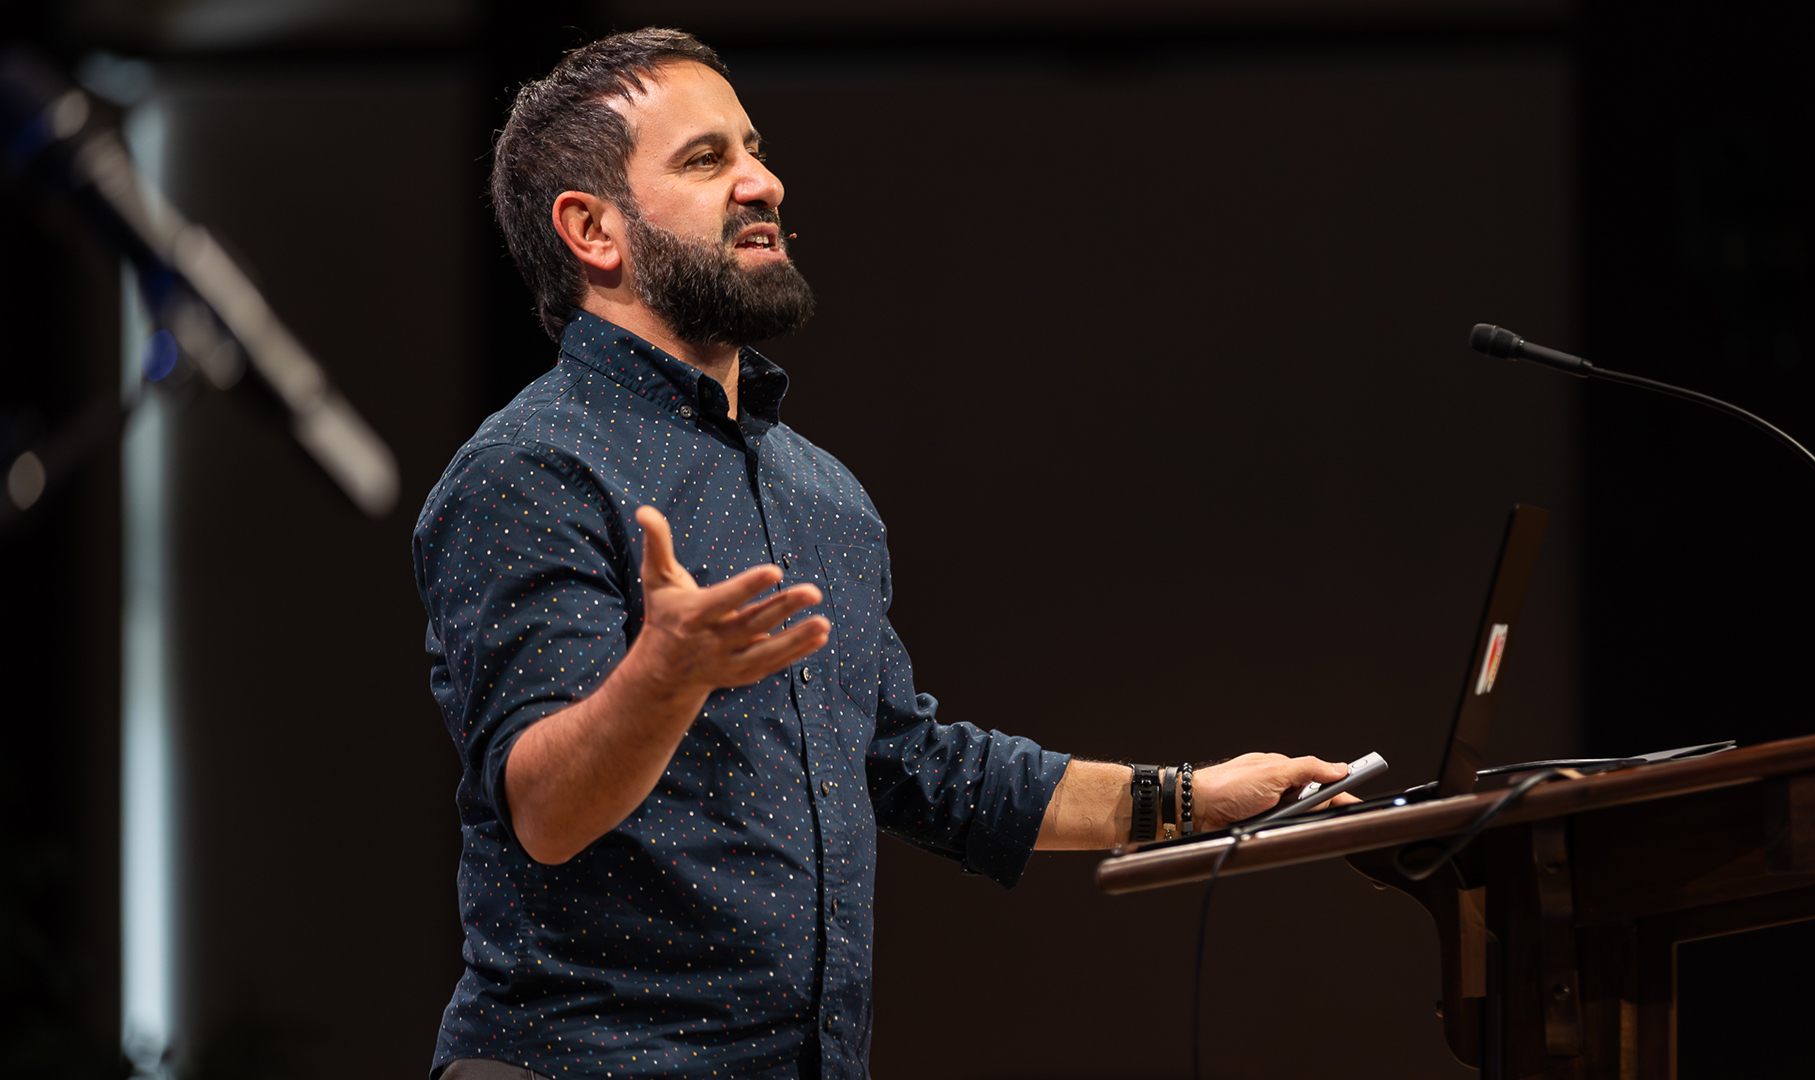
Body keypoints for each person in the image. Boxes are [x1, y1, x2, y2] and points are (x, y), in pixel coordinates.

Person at [412, 27, 1352, 1080]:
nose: (763, 182)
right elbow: (544, 810)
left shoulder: (820, 492)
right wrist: (664, 676)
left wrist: (1191, 798)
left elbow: (917, 767)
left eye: (754, 148)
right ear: (593, 230)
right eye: (707, 159)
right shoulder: (531, 469)